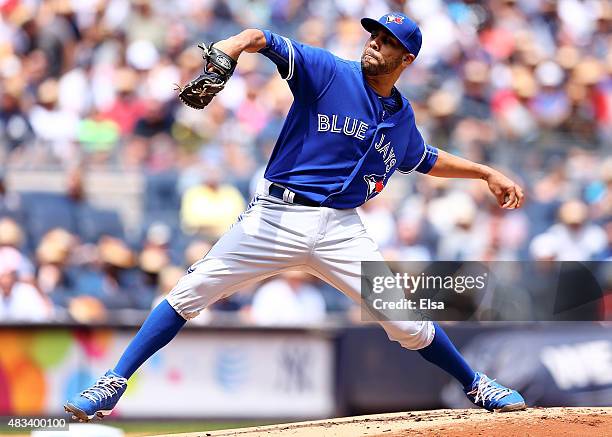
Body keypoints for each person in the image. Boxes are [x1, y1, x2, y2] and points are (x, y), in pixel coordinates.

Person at [65, 13, 526, 421]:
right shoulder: (328, 72)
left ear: (406, 60)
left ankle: (476, 384)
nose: (374, 43)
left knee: (405, 322)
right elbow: (263, 37)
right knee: (189, 292)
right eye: (374, 35)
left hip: (341, 231)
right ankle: (113, 382)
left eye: (386, 41)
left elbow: (422, 157)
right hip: (275, 216)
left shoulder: (400, 115)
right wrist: (231, 46)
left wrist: (485, 172)